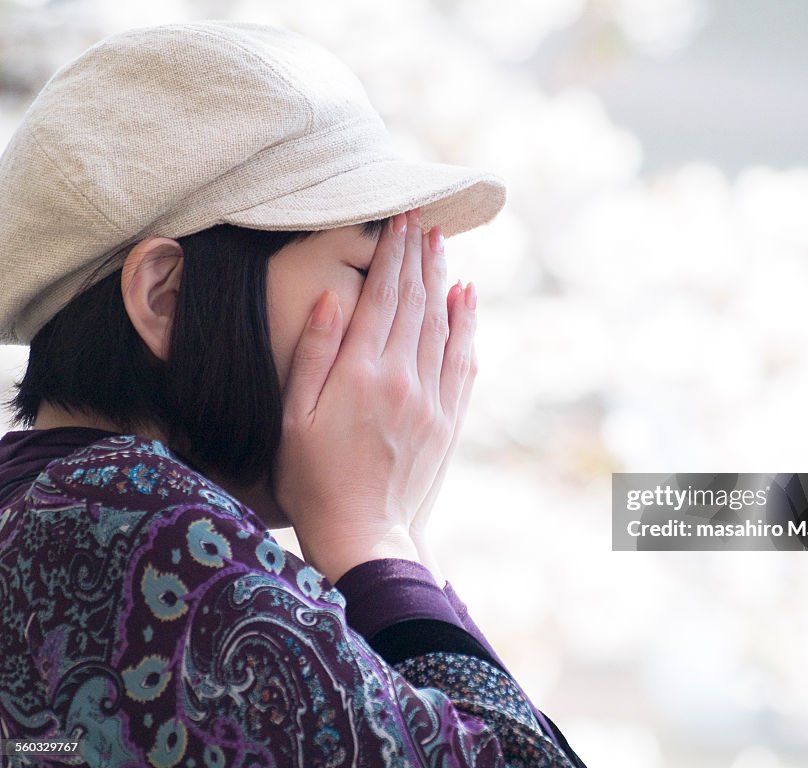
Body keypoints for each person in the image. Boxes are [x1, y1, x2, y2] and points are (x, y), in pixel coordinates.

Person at [0, 21, 585, 767]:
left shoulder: (52, 511)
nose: (409, 328)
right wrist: (370, 533)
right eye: (371, 274)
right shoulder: (135, 524)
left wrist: (391, 546)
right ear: (168, 295)